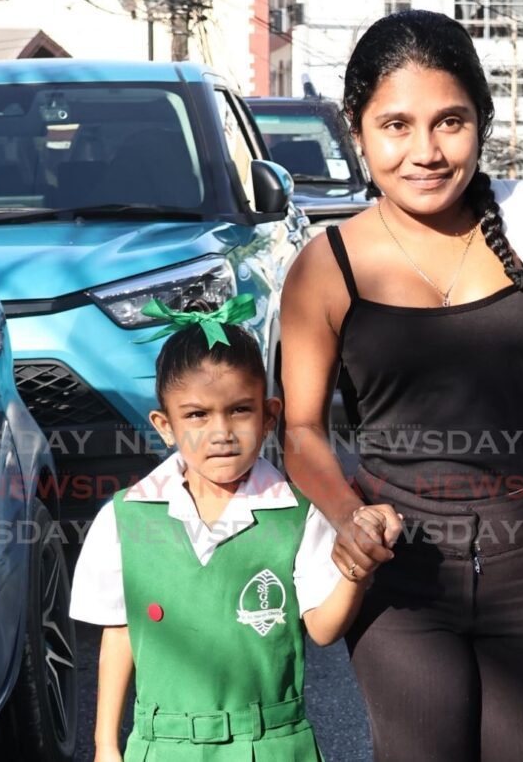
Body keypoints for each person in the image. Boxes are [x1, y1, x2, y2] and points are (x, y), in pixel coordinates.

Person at [280, 10, 523, 761]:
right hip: (401, 578)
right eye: (395, 125)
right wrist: (347, 517)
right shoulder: (325, 267)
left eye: (449, 121)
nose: (425, 152)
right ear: (358, 134)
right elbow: (300, 432)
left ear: (482, 123)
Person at [69, 296, 401, 762]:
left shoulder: (296, 514)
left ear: (269, 416)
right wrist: (106, 742)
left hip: (272, 745)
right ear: (165, 425)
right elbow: (120, 633)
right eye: (197, 415)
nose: (220, 431)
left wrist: (356, 569)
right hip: (161, 747)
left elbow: (323, 630)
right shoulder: (127, 518)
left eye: (239, 411)